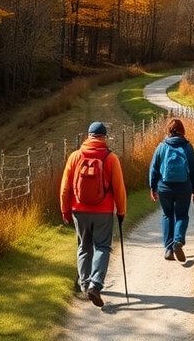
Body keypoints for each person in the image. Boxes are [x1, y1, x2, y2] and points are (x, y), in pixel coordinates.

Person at [60, 121, 127, 307]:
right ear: (104, 137)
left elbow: (65, 187)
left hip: (79, 210)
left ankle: (84, 284)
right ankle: (95, 285)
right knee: (102, 247)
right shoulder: (111, 158)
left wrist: (65, 209)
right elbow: (119, 188)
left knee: (83, 245)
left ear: (88, 136)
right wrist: (121, 211)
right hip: (103, 211)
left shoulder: (75, 156)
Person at [149, 117, 194, 263]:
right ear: (182, 131)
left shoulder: (161, 146)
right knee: (182, 215)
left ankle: (168, 249)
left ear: (169, 130)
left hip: (164, 187)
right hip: (184, 186)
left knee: (167, 215)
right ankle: (178, 241)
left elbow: (154, 169)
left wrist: (153, 187)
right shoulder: (187, 147)